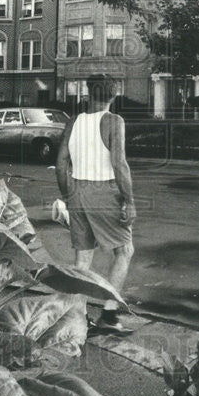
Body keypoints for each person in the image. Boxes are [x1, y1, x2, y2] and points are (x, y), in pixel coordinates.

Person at [55, 74, 136, 334]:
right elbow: (119, 163)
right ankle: (109, 316)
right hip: (104, 191)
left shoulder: (73, 121)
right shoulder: (114, 121)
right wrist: (130, 201)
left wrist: (68, 194)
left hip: (77, 189)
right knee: (124, 251)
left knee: (83, 258)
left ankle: (77, 318)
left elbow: (61, 164)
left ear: (88, 94)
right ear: (114, 96)